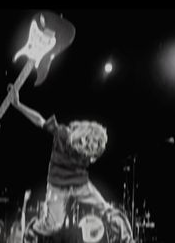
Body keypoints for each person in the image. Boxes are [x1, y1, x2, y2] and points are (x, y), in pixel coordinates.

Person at [9, 85, 134, 243]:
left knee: (108, 210)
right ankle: (32, 231)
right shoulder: (62, 134)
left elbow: (93, 153)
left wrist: (92, 154)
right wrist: (18, 105)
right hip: (57, 186)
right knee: (53, 225)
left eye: (89, 153)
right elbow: (39, 120)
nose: (86, 155)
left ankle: (128, 240)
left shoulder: (95, 149)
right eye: (83, 150)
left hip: (81, 185)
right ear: (78, 139)